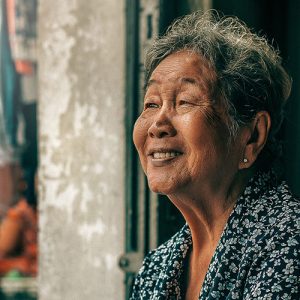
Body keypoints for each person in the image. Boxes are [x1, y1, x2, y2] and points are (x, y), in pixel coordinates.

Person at [131, 10, 299, 300]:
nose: (157, 125)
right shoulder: (156, 269)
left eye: (184, 101)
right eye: (151, 103)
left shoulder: (288, 244)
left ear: (253, 136)